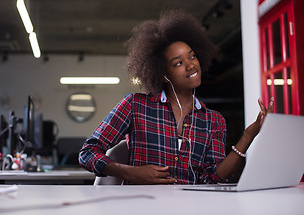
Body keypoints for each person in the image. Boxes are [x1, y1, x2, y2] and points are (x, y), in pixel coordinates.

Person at [78, 9, 274, 185]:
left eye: (192, 56)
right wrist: (130, 173)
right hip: (140, 205)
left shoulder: (213, 120)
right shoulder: (135, 105)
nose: (191, 66)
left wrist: (248, 136)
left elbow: (213, 178)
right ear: (163, 74)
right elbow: (87, 153)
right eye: (178, 63)